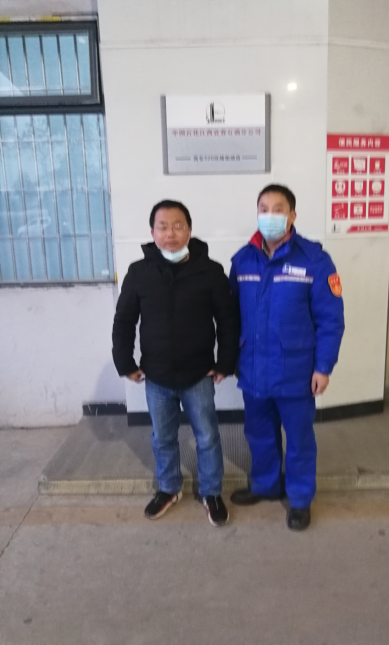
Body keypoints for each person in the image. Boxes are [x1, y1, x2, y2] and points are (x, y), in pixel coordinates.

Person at [112, 200, 239, 527]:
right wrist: (125, 362)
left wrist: (225, 362)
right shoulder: (139, 272)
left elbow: (228, 321)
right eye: (163, 227)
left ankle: (211, 492)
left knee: (207, 436)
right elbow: (124, 321)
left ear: (189, 230)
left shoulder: (210, 271)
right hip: (156, 376)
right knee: (163, 437)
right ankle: (169, 488)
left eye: (178, 226)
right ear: (152, 231)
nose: (170, 233)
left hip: (198, 374)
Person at [229, 184, 345, 531]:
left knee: (298, 439)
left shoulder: (314, 260)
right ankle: (266, 485)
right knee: (259, 433)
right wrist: (228, 359)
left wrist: (323, 367)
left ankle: (299, 498)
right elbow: (230, 315)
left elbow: (330, 320)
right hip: (253, 369)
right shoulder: (243, 260)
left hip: (296, 371)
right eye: (263, 209)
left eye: (278, 209)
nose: (270, 215)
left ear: (292, 215)